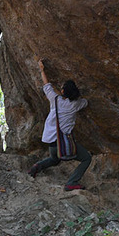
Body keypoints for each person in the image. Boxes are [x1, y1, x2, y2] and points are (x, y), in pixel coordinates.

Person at [28, 58, 92, 191]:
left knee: (55, 159)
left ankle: (37, 167)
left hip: (52, 141)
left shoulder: (55, 100)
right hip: (64, 143)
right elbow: (86, 102)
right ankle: (72, 182)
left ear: (62, 92)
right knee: (86, 158)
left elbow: (47, 86)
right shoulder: (76, 105)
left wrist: (42, 70)